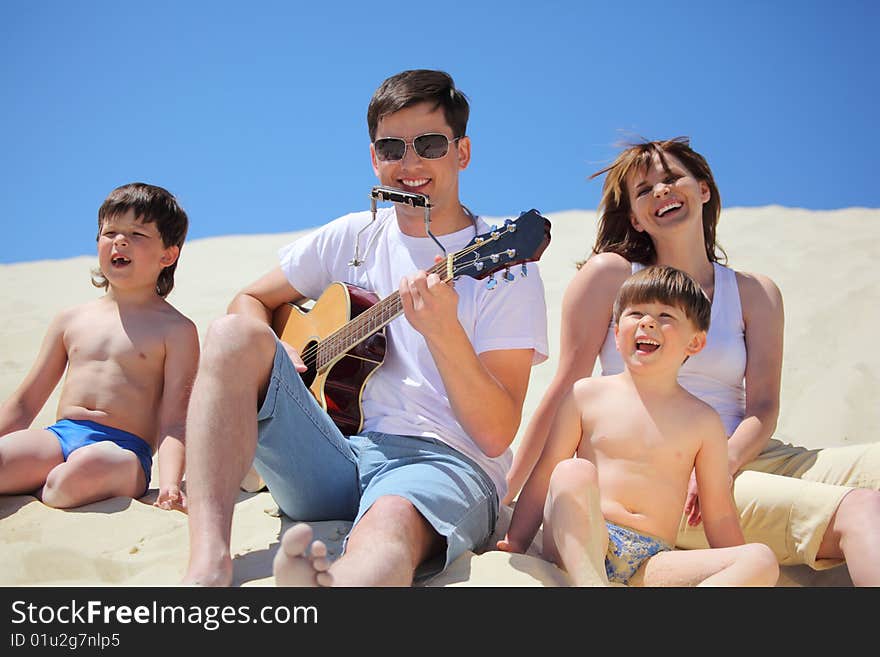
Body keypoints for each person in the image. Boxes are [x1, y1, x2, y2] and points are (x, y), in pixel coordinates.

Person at [181, 69, 549, 587]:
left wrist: (444, 333)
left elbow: (493, 434)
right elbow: (250, 299)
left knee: (390, 525)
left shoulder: (504, 263)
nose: (410, 163)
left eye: (429, 144)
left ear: (462, 152)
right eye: (391, 148)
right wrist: (277, 350)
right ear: (374, 158)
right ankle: (209, 559)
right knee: (230, 335)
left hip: (440, 461)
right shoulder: (353, 235)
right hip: (333, 449)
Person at [506, 137, 880, 585]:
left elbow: (763, 407)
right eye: (643, 190)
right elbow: (565, 389)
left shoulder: (755, 292)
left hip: (745, 454)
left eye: (671, 178)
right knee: (859, 509)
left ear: (703, 188)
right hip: (667, 473)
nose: (660, 191)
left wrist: (724, 462)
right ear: (634, 218)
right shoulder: (612, 276)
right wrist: (508, 495)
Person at [499, 265, 779, 586]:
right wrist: (517, 540)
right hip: (586, 539)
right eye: (636, 313)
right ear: (617, 335)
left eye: (665, 316)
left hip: (652, 559)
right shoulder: (586, 395)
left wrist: (732, 563)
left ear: (695, 343)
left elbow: (719, 513)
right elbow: (545, 474)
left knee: (760, 559)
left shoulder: (703, 421)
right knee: (571, 472)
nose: (648, 322)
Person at [0, 182, 199, 511]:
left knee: (80, 473)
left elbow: (176, 422)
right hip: (60, 436)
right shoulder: (71, 320)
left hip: (123, 452)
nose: (120, 241)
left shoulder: (176, 330)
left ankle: (51, 486)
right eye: (110, 233)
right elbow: (24, 403)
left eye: (137, 234)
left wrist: (170, 484)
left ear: (168, 254)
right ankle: (44, 480)